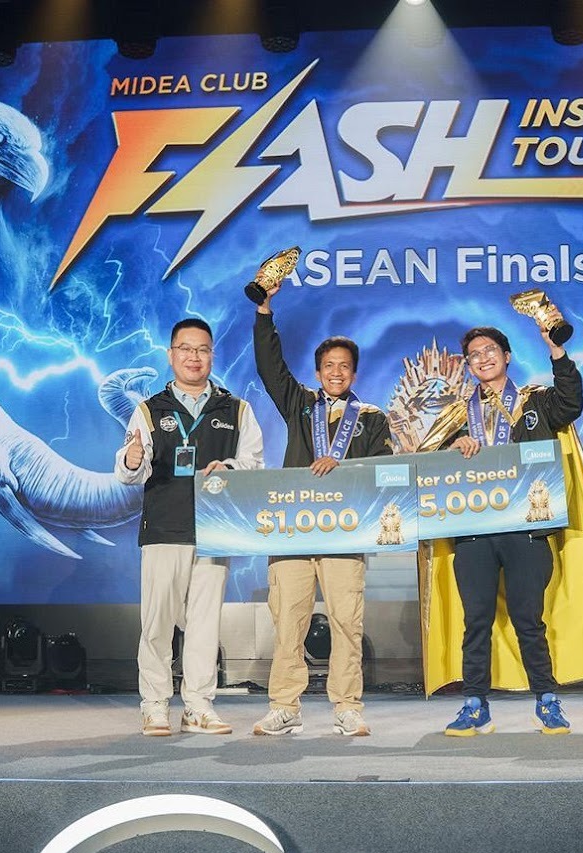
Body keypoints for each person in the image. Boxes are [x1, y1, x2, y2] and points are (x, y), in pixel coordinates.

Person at [417, 322, 583, 736]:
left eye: (490, 350)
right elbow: (427, 462)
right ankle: (475, 704)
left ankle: (547, 700)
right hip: (475, 533)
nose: (483, 358)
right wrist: (453, 448)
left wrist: (557, 353)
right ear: (468, 365)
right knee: (476, 621)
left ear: (507, 356)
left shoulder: (536, 401)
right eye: (474, 354)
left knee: (529, 620)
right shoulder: (457, 415)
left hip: (526, 530)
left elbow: (571, 403)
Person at [250, 283, 394, 737]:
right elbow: (270, 367)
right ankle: (284, 706)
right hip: (293, 532)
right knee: (288, 622)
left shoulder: (372, 418)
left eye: (344, 366)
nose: (336, 372)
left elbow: (383, 471)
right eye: (329, 365)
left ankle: (347, 706)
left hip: (344, 535)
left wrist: (343, 465)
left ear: (354, 373)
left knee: (346, 623)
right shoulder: (300, 404)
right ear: (317, 372)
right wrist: (264, 311)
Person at [116, 316, 263, 737]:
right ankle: (155, 705)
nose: (193, 357)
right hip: (164, 529)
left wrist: (230, 467)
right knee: (157, 624)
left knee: (204, 624)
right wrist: (131, 459)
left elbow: (254, 463)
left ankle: (198, 706)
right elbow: (129, 472)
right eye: (185, 349)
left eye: (202, 350)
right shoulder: (150, 410)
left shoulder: (237, 409)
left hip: (214, 532)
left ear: (212, 355)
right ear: (171, 355)